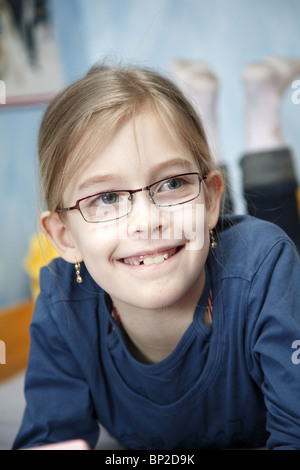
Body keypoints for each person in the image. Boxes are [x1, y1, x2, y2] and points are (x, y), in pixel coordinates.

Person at [13, 63, 300, 450]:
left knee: (272, 220)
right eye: (107, 198)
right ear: (64, 237)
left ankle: (256, 113)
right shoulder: (62, 301)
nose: (147, 221)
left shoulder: (265, 265)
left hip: (245, 253)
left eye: (172, 182)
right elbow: (49, 438)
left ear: (213, 198)